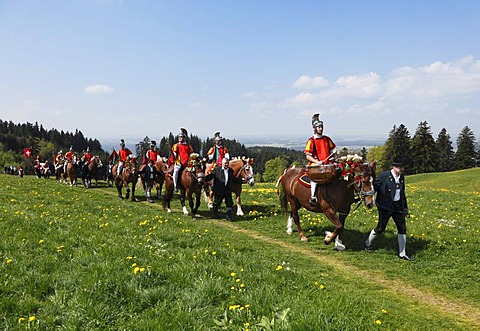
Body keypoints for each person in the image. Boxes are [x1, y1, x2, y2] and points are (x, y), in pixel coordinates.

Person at [364, 160, 412, 261]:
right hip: (385, 207)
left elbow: (402, 193)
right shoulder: (384, 176)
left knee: (402, 228)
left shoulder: (402, 177)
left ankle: (402, 253)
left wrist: (405, 207)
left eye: (402, 167)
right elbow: (374, 188)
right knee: (381, 228)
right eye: (399, 167)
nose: (402, 169)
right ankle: (368, 243)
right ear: (393, 167)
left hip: (398, 207)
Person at [304, 114, 336, 205]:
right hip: (316, 164)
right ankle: (313, 196)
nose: (321, 129)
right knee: (315, 177)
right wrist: (317, 162)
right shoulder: (311, 141)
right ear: (315, 129)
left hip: (327, 163)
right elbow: (308, 156)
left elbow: (333, 150)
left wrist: (333, 157)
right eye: (319, 127)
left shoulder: (327, 139)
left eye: (321, 127)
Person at [169, 128, 194, 193]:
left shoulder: (188, 146)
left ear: (184, 138)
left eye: (182, 137)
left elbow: (191, 153)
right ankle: (175, 186)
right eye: (179, 137)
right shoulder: (176, 145)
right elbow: (174, 154)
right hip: (178, 162)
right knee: (176, 171)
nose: (180, 138)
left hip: (187, 162)